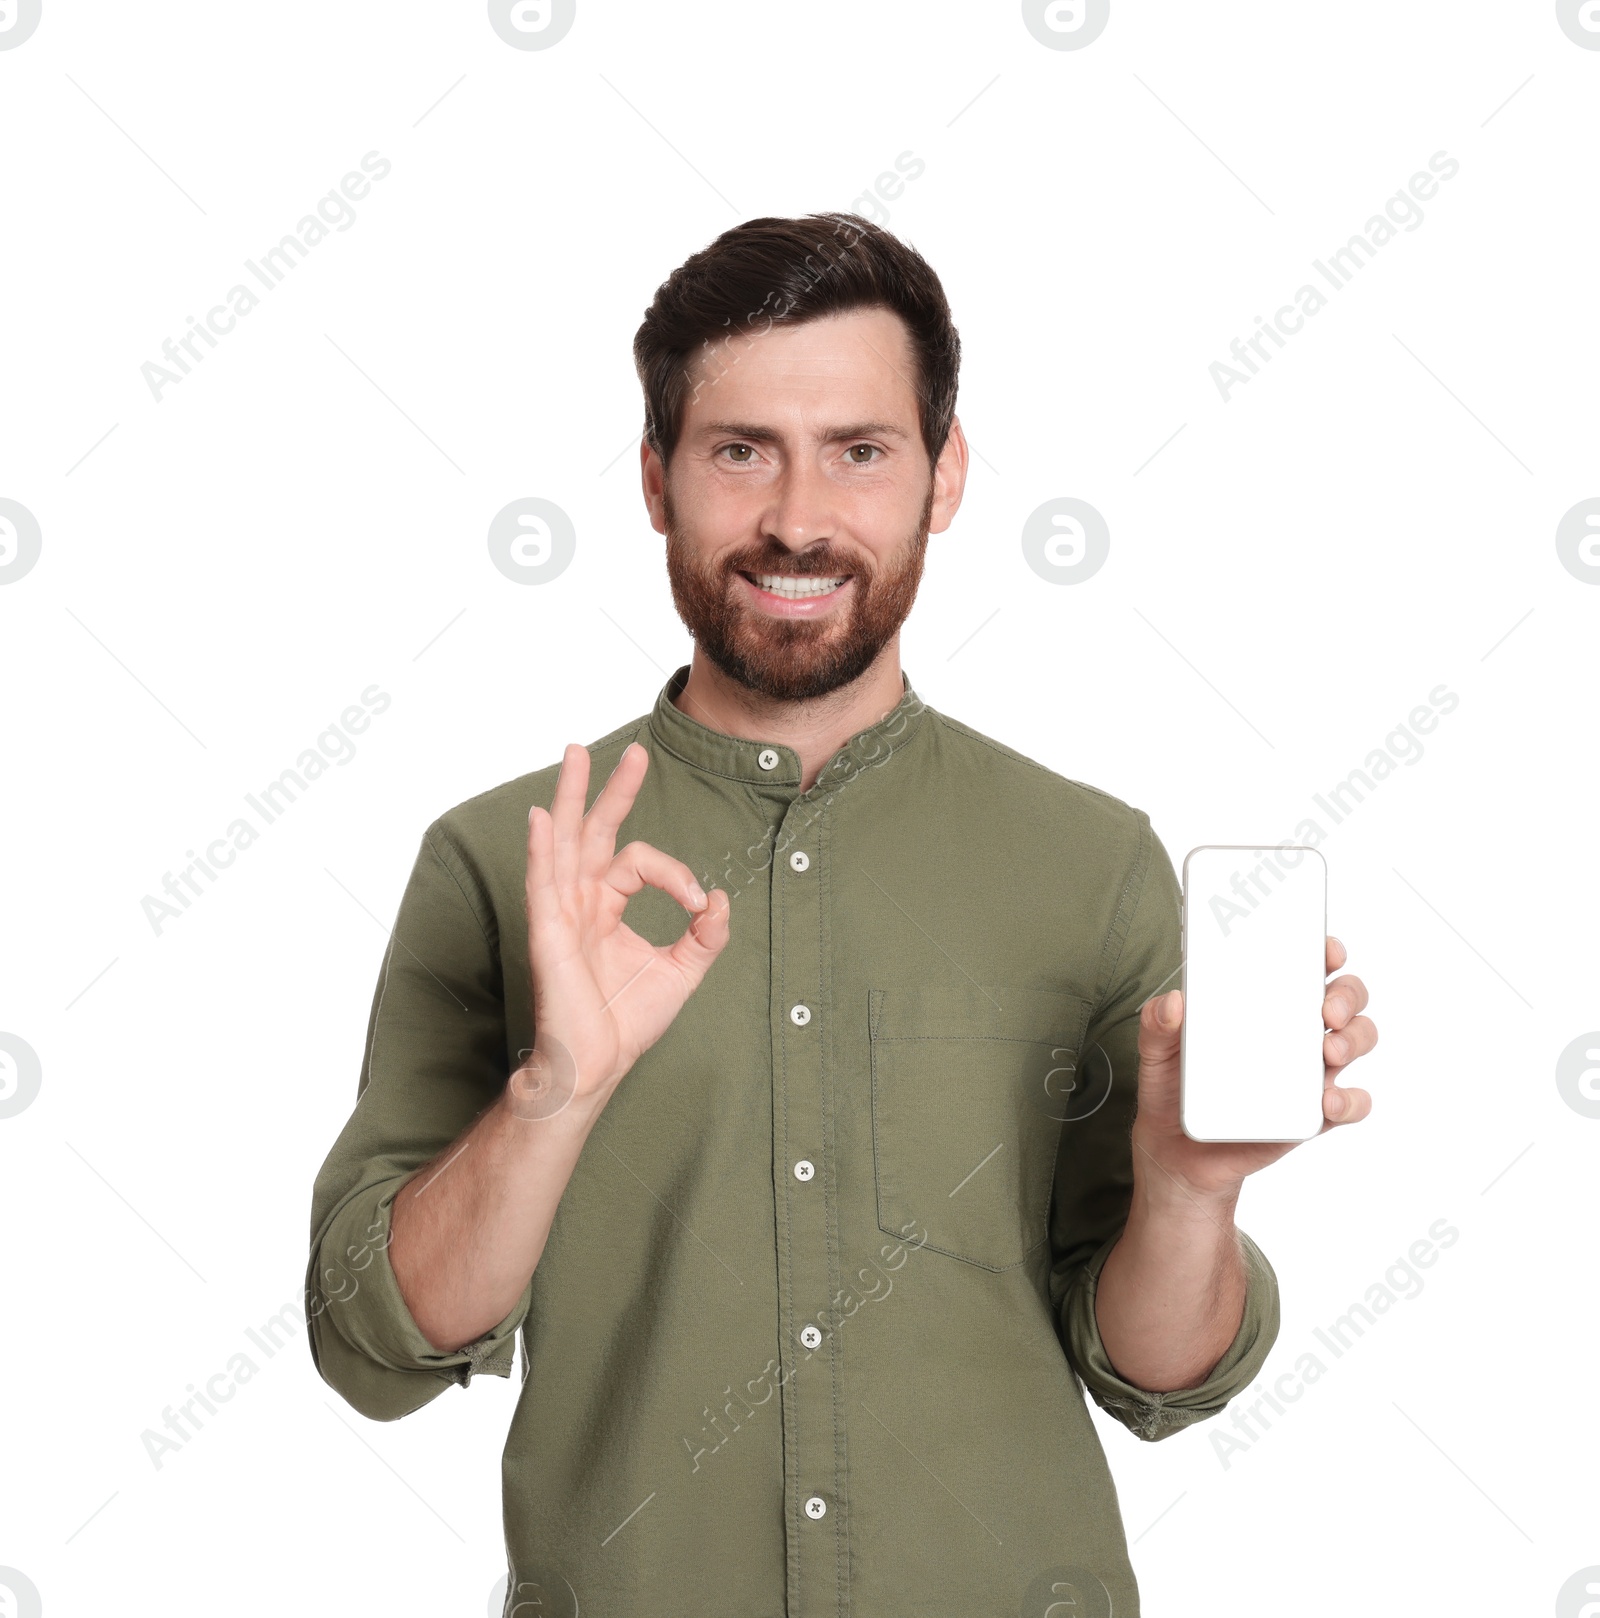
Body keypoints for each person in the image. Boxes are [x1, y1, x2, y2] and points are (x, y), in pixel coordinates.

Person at [305, 212, 1377, 1617]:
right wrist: (557, 1090)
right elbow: (376, 1346)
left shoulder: (1093, 862)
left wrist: (1189, 1187)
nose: (799, 517)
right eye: (740, 448)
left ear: (945, 478)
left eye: (860, 451)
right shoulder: (506, 865)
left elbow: (1161, 1376)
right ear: (654, 478)